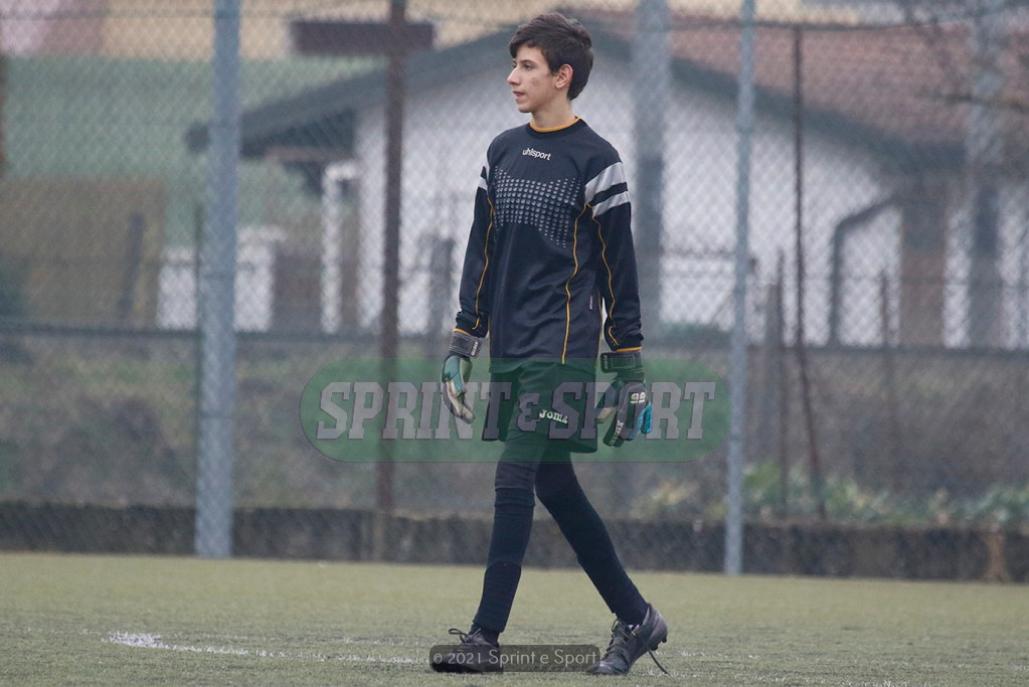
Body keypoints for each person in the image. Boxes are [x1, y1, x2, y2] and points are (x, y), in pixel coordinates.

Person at [430, 12, 668, 676]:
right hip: (510, 347)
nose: (513, 77)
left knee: (514, 476)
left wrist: (628, 369)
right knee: (555, 485)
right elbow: (480, 253)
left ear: (562, 77)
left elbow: (620, 273)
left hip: (561, 353)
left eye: (527, 66)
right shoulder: (502, 152)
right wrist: (463, 340)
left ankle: (484, 638)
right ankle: (638, 618)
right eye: (514, 65)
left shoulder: (598, 162)